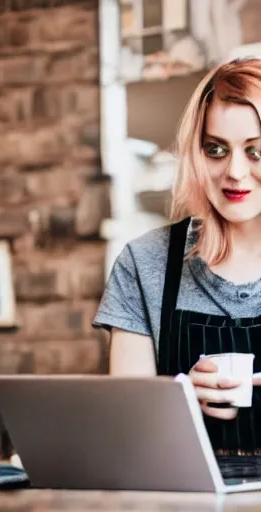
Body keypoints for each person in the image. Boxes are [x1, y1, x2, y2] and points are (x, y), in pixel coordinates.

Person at [93, 57, 261, 455]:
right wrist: (179, 398)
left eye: (256, 151)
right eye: (216, 149)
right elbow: (125, 432)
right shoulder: (143, 263)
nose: (234, 172)